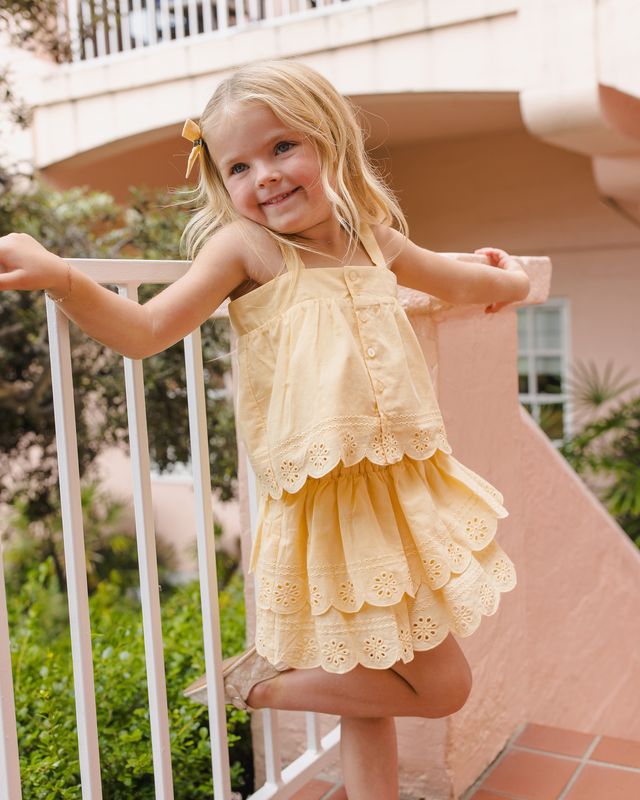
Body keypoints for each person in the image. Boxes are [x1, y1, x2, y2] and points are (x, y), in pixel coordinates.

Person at [0, 60, 528, 800]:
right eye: (240, 165)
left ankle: (267, 696)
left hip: (401, 497)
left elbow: (456, 279)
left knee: (386, 684)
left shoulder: (372, 237)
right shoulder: (245, 249)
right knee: (441, 688)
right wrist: (62, 276)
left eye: (283, 148)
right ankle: (255, 688)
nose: (266, 176)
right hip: (323, 505)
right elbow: (148, 328)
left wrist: (512, 279)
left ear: (330, 143)